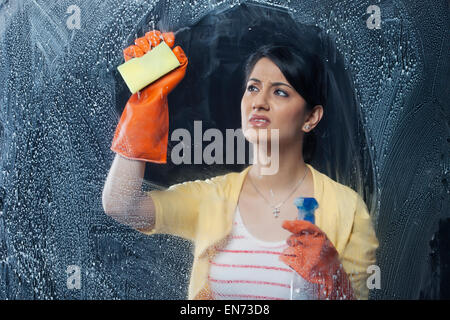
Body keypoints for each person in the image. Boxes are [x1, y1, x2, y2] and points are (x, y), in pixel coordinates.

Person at [102, 29, 379, 300]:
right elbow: (123, 206)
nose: (259, 102)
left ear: (311, 117)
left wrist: (333, 280)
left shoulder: (348, 210)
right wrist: (145, 106)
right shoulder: (213, 197)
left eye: (280, 92)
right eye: (253, 88)